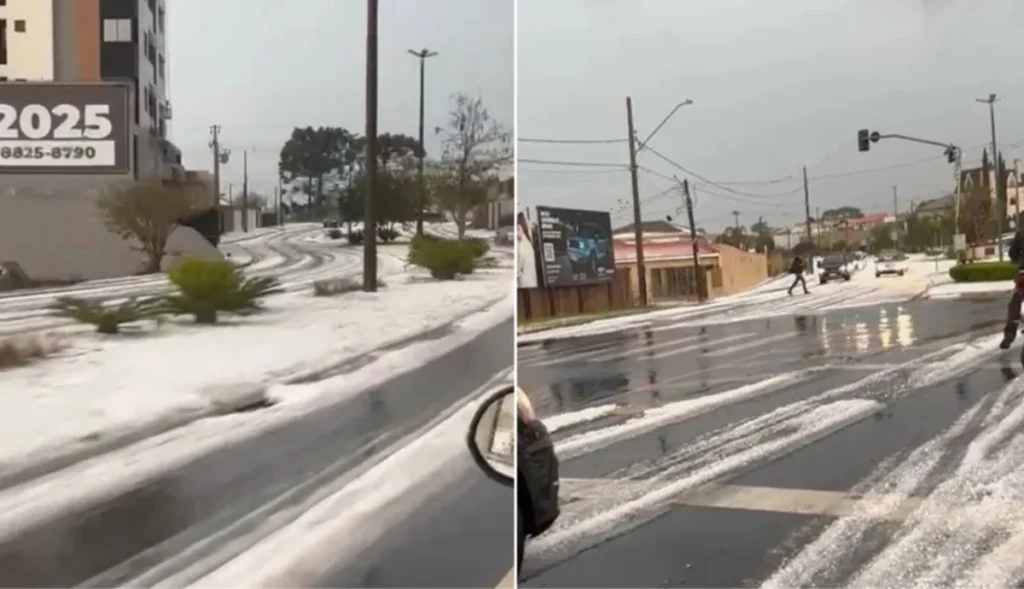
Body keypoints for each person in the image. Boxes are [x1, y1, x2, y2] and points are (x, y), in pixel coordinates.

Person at [999, 230, 1024, 349]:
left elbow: (1012, 253)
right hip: (1023, 272)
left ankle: (1009, 335)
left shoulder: (1021, 233)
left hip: (1023, 271)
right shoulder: (1021, 233)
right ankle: (1009, 335)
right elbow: (1012, 252)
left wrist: (1018, 260)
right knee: (1015, 302)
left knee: (1015, 303)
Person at [517, 212, 540, 289]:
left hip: (524, 284)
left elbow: (518, 267)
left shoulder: (521, 244)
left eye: (517, 229)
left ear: (520, 228)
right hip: (532, 282)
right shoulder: (528, 242)